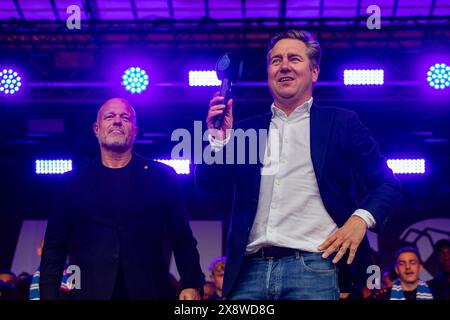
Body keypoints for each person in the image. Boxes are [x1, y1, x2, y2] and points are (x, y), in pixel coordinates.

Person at [195, 30, 401, 300]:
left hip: (314, 266)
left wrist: (359, 220)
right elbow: (207, 185)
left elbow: (388, 183)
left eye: (294, 58)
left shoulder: (341, 122)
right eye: (276, 60)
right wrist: (218, 140)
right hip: (249, 271)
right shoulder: (246, 130)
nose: (284, 66)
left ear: (314, 72)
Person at [40, 98, 204, 300]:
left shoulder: (163, 177)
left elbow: (182, 238)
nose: (117, 121)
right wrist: (48, 295)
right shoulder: (71, 182)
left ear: (134, 131)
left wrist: (191, 283)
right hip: (88, 293)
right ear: (96, 129)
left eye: (125, 117)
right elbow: (54, 247)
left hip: (151, 292)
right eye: (110, 116)